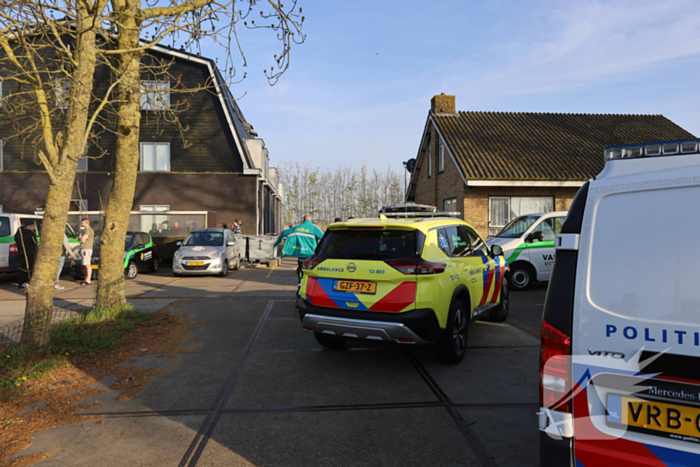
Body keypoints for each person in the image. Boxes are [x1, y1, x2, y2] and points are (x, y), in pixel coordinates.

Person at [273, 214, 324, 305]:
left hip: (301, 259)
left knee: (302, 278)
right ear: (311, 220)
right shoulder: (314, 229)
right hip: (312, 259)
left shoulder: (296, 228)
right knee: (314, 279)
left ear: (303, 220)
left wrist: (275, 244)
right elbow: (325, 239)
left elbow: (283, 233)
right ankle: (313, 298)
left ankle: (300, 298)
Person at [14, 223, 37, 289]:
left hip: (21, 253)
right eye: (33, 227)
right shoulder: (31, 234)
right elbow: (35, 244)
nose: (34, 229)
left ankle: (22, 283)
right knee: (30, 268)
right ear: (30, 227)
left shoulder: (19, 234)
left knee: (22, 268)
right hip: (30, 253)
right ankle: (29, 281)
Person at [78, 218, 94, 285]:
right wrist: (82, 237)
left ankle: (88, 280)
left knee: (87, 264)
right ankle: (86, 278)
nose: (81, 224)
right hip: (84, 248)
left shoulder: (88, 230)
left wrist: (82, 237)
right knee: (85, 264)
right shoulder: (85, 231)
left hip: (86, 249)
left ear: (86, 223)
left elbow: (82, 240)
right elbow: (79, 238)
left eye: (82, 223)